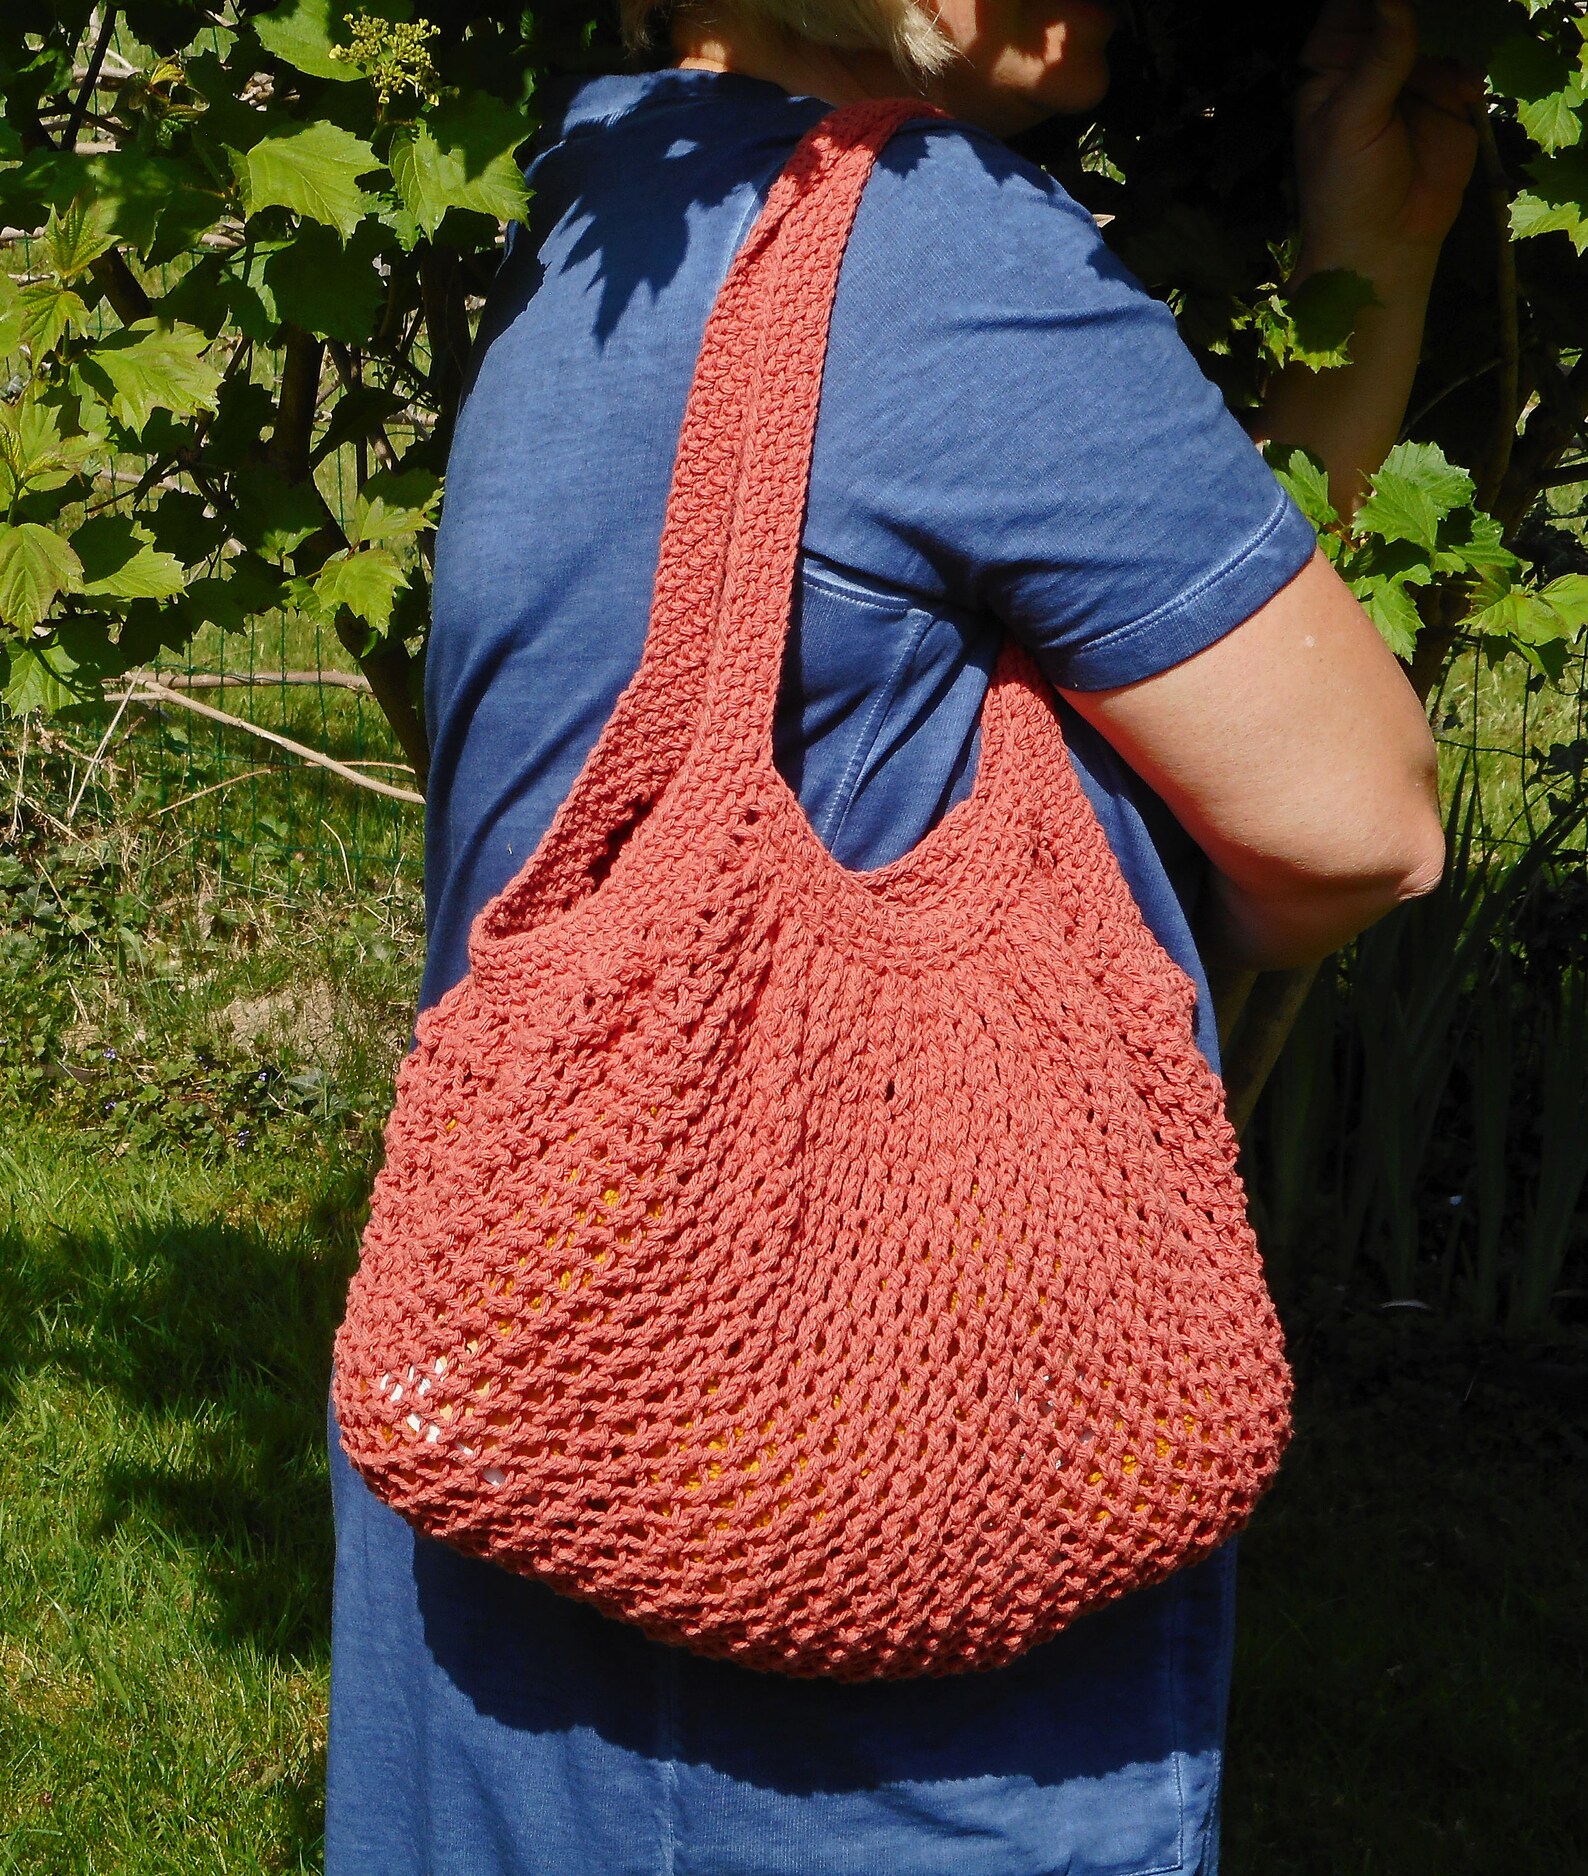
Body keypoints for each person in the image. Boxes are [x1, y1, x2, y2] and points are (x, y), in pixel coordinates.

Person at [325, 1, 1474, 1869]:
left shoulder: (622, 208)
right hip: (836, 1705)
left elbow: (1181, 657)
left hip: (558, 1593)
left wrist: (1374, 274)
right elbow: (1349, 823)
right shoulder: (928, 237)